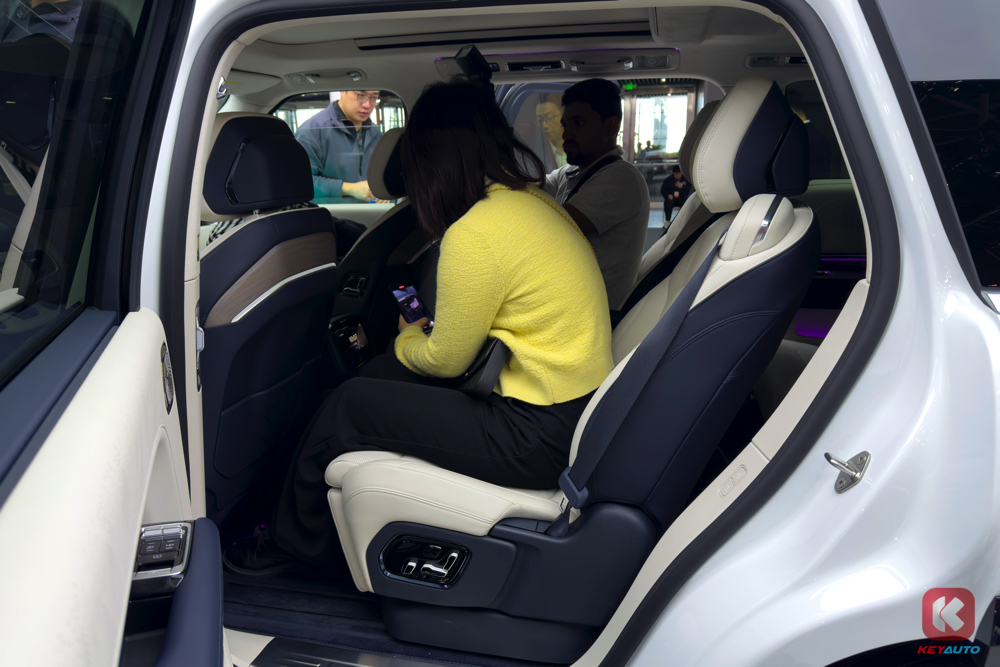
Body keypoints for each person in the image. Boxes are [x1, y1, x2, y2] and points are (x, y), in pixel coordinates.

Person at [223, 80, 614, 576]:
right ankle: (308, 520)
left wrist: (408, 337)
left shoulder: (478, 231)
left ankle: (290, 546)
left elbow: (445, 361)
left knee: (350, 403)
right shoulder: (534, 204)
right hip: (565, 414)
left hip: (530, 434)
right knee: (378, 376)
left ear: (430, 160)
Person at [544, 79, 650, 311]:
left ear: (610, 127)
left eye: (578, 123)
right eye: (565, 125)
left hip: (588, 317)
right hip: (565, 307)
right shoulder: (572, 173)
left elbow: (550, 231)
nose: (566, 134)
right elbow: (529, 189)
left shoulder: (620, 178)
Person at [294, 90, 384, 202]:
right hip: (329, 212)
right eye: (361, 95)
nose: (368, 105)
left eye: (374, 97)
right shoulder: (312, 131)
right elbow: (298, 182)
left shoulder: (375, 132)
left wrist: (383, 190)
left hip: (373, 211)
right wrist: (348, 189)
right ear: (343, 91)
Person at [534, 93, 567, 172]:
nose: (544, 125)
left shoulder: (583, 147)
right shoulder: (537, 156)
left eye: (549, 117)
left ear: (564, 115)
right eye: (540, 120)